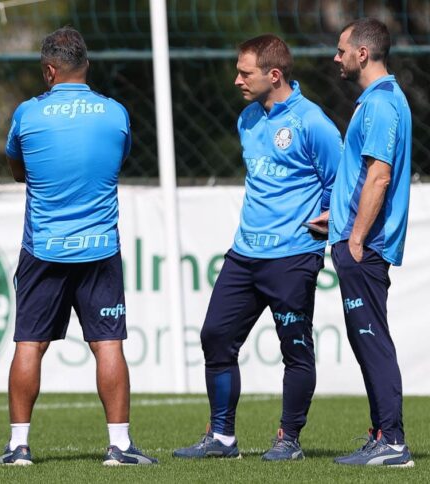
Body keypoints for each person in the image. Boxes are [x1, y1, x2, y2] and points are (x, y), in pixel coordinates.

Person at [173, 34, 341, 461]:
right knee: (215, 336)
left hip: (293, 255)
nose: (237, 80)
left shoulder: (313, 122)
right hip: (245, 253)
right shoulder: (247, 118)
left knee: (295, 348)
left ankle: (289, 439)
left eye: (245, 73)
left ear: (274, 74)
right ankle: (222, 437)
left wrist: (324, 220)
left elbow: (340, 182)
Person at [0, 27, 156, 467]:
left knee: (30, 343)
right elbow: (117, 161)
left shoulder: (28, 114)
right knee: (108, 344)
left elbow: (17, 169)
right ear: (86, 65)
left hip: (43, 248)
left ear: (49, 70)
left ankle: (19, 446)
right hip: (99, 247)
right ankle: (120, 445)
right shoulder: (115, 113)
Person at [308, 18, 414, 467]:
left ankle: (392, 443)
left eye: (341, 50)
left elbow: (379, 176)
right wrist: (337, 217)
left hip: (364, 246)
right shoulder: (375, 100)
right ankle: (381, 435)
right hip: (356, 237)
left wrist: (355, 237)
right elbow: (363, 175)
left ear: (362, 54)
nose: (336, 57)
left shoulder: (383, 103)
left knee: (371, 339)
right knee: (364, 338)